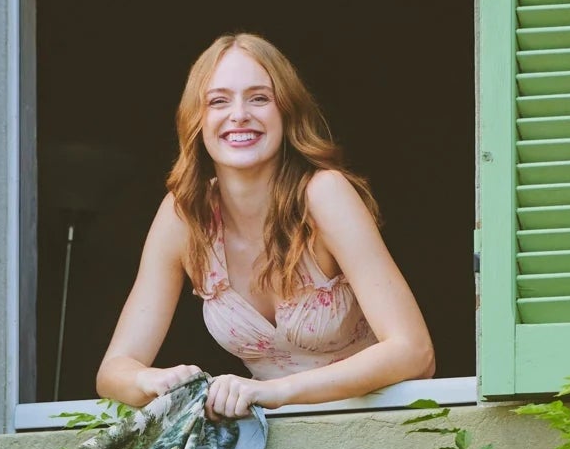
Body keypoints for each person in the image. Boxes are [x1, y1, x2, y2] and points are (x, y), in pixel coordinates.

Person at [96, 32, 434, 421]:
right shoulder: (185, 215)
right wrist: (153, 380)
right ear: (196, 120)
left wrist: (276, 392)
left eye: (259, 98)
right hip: (275, 439)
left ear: (286, 112)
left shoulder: (323, 195)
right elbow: (113, 371)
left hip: (377, 425)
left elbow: (415, 352)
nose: (239, 114)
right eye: (218, 101)